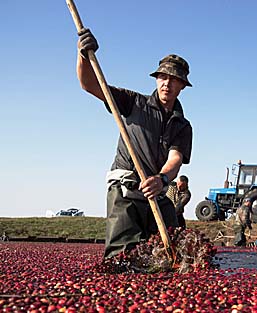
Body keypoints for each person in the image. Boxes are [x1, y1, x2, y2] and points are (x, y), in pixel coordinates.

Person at [75, 28, 193, 258]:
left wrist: (162, 179)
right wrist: (83, 56)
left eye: (174, 79)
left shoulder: (183, 126)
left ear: (182, 86)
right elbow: (90, 84)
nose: (167, 83)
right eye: (163, 77)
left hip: (156, 192)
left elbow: (175, 159)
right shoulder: (132, 103)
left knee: (172, 253)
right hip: (126, 190)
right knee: (123, 257)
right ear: (157, 79)